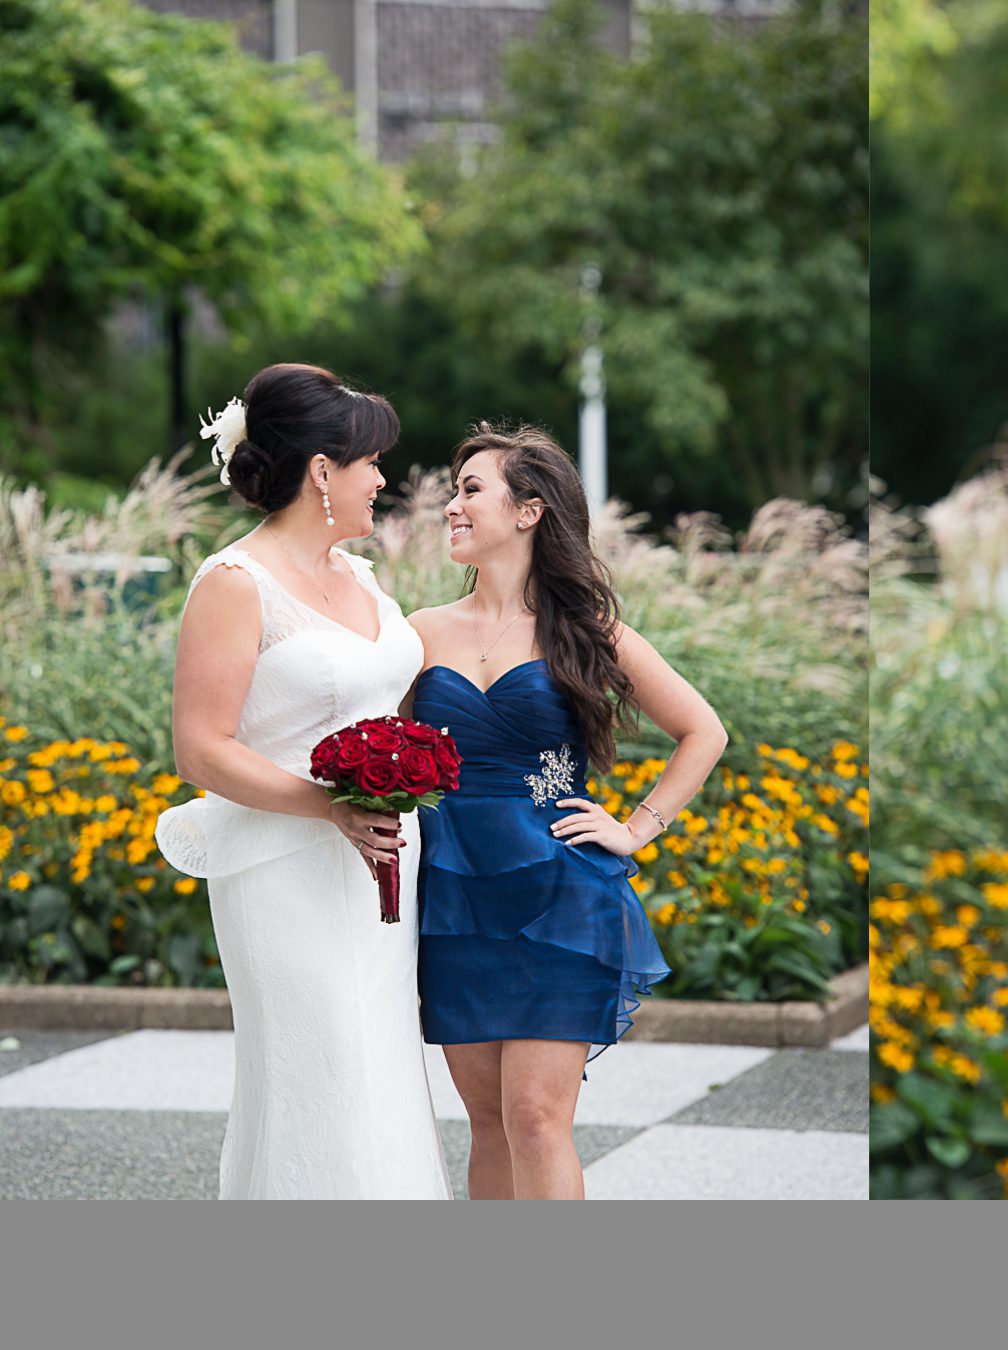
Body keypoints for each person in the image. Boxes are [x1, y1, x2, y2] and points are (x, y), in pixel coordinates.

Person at [405, 423, 724, 1200]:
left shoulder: (588, 631)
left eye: (470, 490)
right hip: (452, 896)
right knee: (486, 1121)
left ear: (529, 511)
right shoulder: (417, 633)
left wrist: (636, 826)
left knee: (537, 1117)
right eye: (454, 491)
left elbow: (703, 731)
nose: (452, 505)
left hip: (560, 892)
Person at [158, 362, 450, 1199]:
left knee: (380, 1071)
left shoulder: (359, 578)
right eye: (370, 462)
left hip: (380, 863)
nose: (383, 480)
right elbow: (201, 748)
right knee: (318, 1072)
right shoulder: (233, 584)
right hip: (282, 866)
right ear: (322, 470)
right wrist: (330, 807)